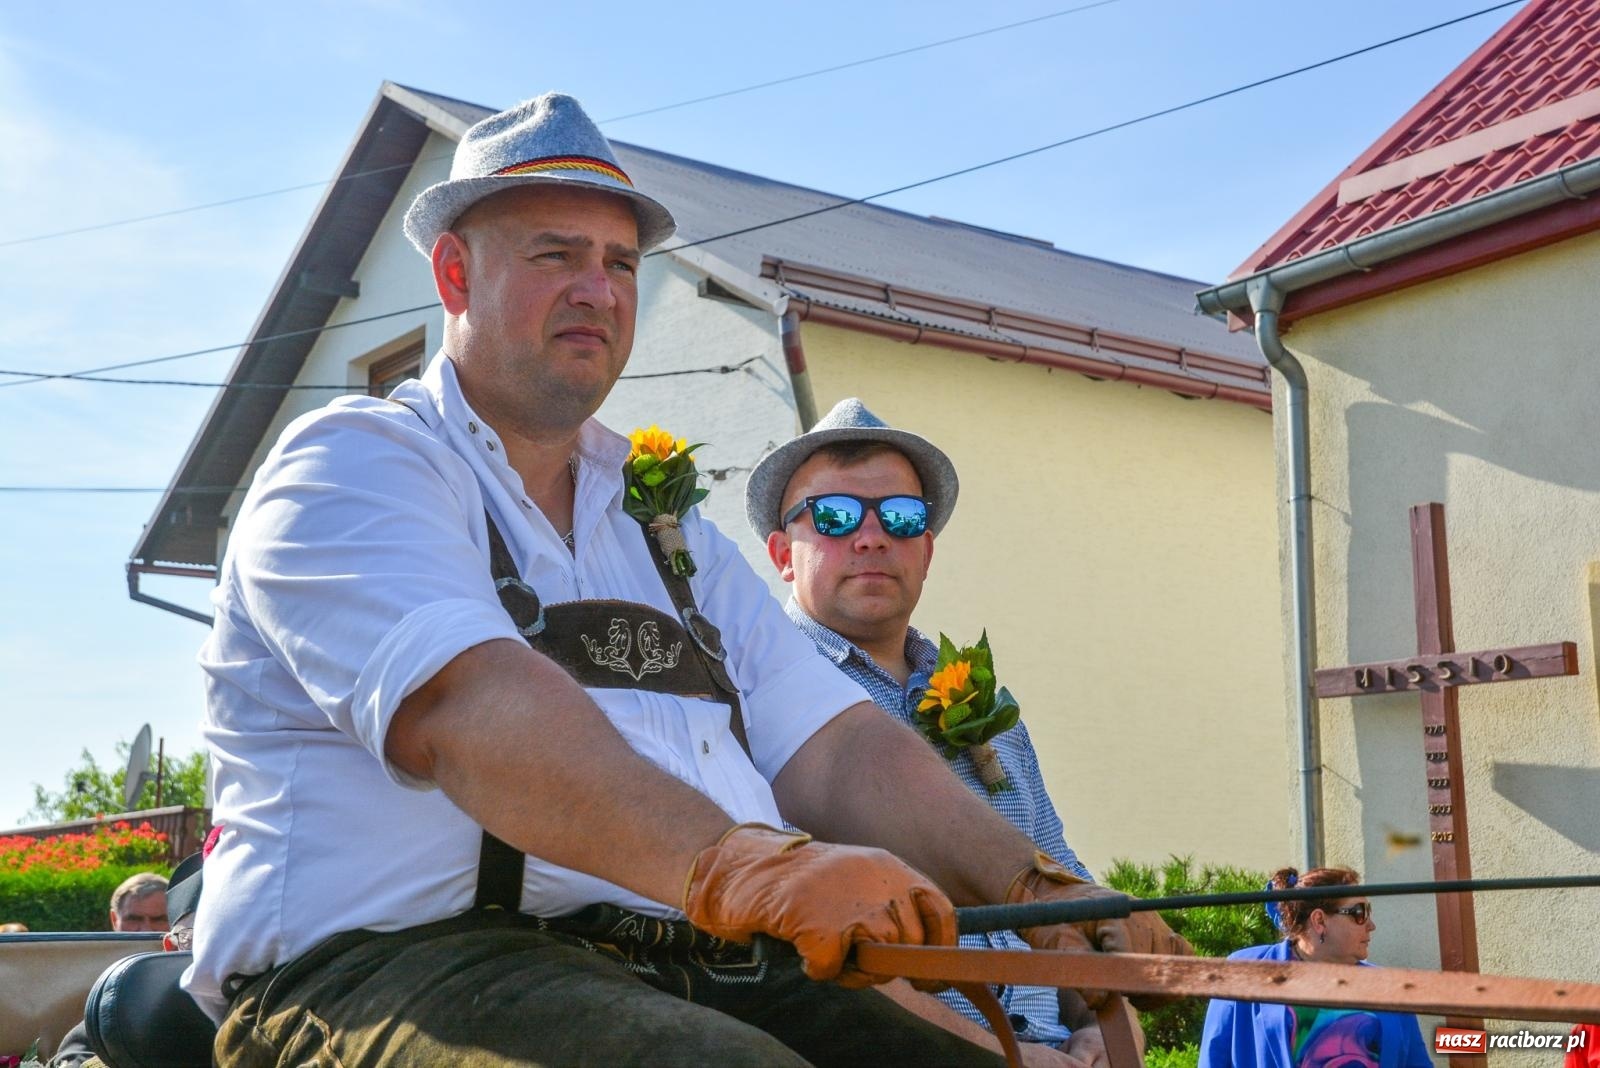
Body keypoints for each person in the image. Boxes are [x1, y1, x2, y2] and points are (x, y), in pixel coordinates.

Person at [188, 91, 1190, 1067]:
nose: (599, 288)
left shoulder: (664, 529)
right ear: (454, 275)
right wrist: (752, 866)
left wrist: (1037, 889)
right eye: (556, 254)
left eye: (620, 262)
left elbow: (835, 746)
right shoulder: (353, 465)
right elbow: (467, 706)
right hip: (391, 974)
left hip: (695, 964)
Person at [745, 398, 1130, 1067]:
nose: (871, 537)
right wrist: (995, 1055)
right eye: (835, 516)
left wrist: (1105, 1025)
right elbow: (787, 942)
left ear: (926, 549)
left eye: (900, 516)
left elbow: (1063, 888)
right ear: (784, 553)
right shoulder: (753, 692)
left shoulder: (987, 704)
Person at [1198, 866, 1431, 1068]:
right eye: (1359, 913)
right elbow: (1213, 1060)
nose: (1371, 925)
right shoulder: (1243, 971)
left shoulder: (1390, 988)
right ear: (1319, 921)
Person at [51, 853, 204, 1068]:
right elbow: (78, 1052)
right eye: (198, 937)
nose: (146, 929)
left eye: (158, 919)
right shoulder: (133, 999)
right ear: (170, 945)